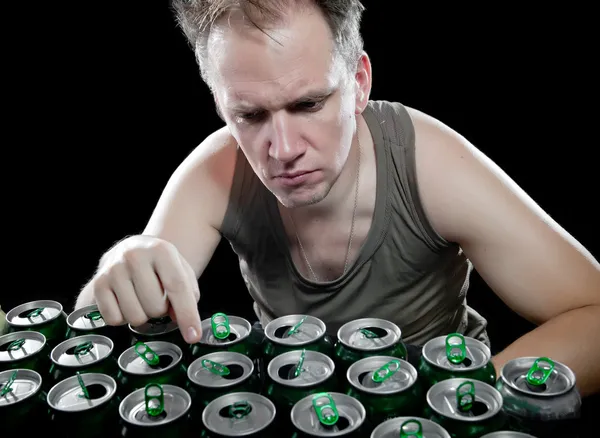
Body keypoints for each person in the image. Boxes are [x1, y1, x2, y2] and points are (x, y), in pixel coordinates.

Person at [75, 0, 600, 397]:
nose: (281, 150)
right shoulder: (215, 170)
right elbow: (89, 336)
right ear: (220, 104)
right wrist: (125, 263)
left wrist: (465, 400)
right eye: (250, 115)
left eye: (308, 104)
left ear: (359, 82)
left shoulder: (430, 162)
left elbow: (594, 312)